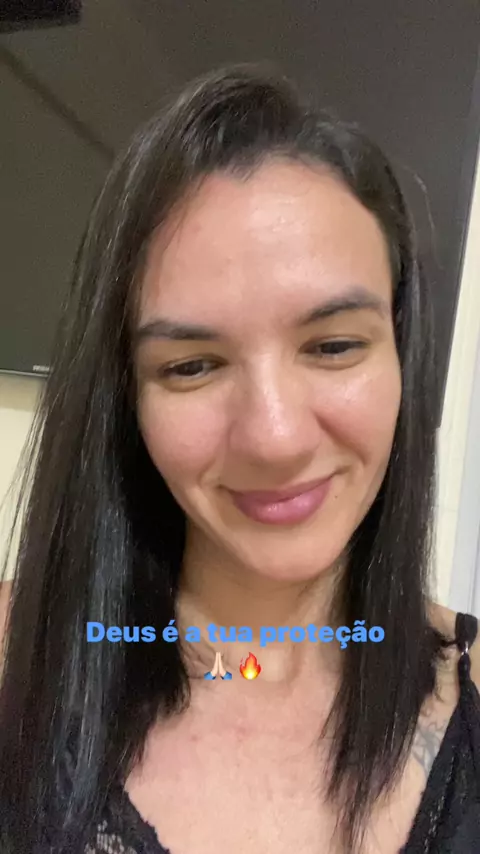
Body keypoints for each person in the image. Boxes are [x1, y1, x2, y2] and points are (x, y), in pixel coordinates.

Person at [0, 61, 479, 854]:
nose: (275, 437)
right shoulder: (16, 661)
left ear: (402, 352)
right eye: (192, 366)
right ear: (124, 395)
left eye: (333, 346)